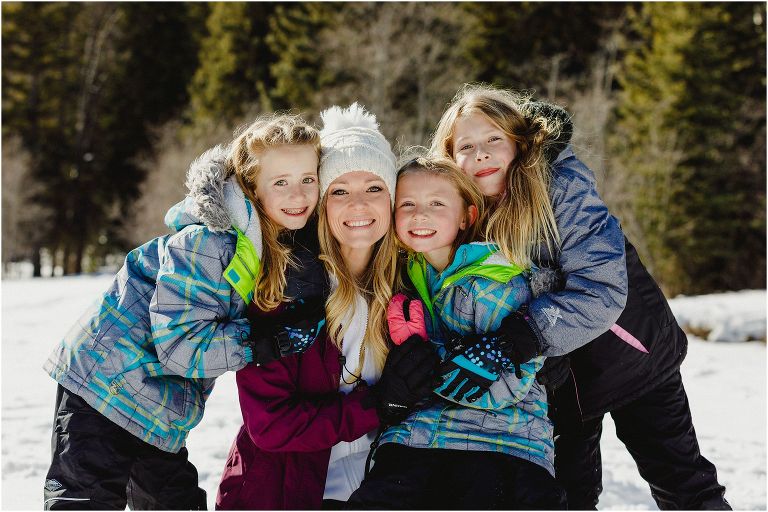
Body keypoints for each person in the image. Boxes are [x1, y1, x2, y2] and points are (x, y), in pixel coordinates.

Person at [431, 83, 730, 510]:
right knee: (568, 496)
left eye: (493, 139)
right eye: (466, 145)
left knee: (682, 484)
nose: (480, 154)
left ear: (518, 141)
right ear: (449, 154)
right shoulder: (461, 209)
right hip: (557, 380)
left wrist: (518, 338)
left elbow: (602, 288)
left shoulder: (560, 186)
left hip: (630, 358)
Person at [42, 114, 329, 509]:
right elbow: (179, 347)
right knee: (85, 499)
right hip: (105, 386)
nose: (298, 195)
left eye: (307, 180)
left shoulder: (271, 243)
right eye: (280, 182)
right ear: (251, 185)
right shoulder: (206, 242)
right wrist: (262, 344)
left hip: (158, 407)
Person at [215, 104, 439, 510]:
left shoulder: (411, 288)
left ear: (392, 199)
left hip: (379, 484)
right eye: (339, 191)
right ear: (321, 202)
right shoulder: (282, 288)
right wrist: (376, 405)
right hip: (284, 491)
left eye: (374, 188)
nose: (358, 205)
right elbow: (270, 425)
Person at [346, 156, 567, 509]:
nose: (420, 214)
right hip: (417, 437)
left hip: (503, 438)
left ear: (467, 216)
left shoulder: (496, 281)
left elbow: (505, 389)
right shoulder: (401, 277)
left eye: (437, 203)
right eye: (408, 204)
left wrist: (426, 361)